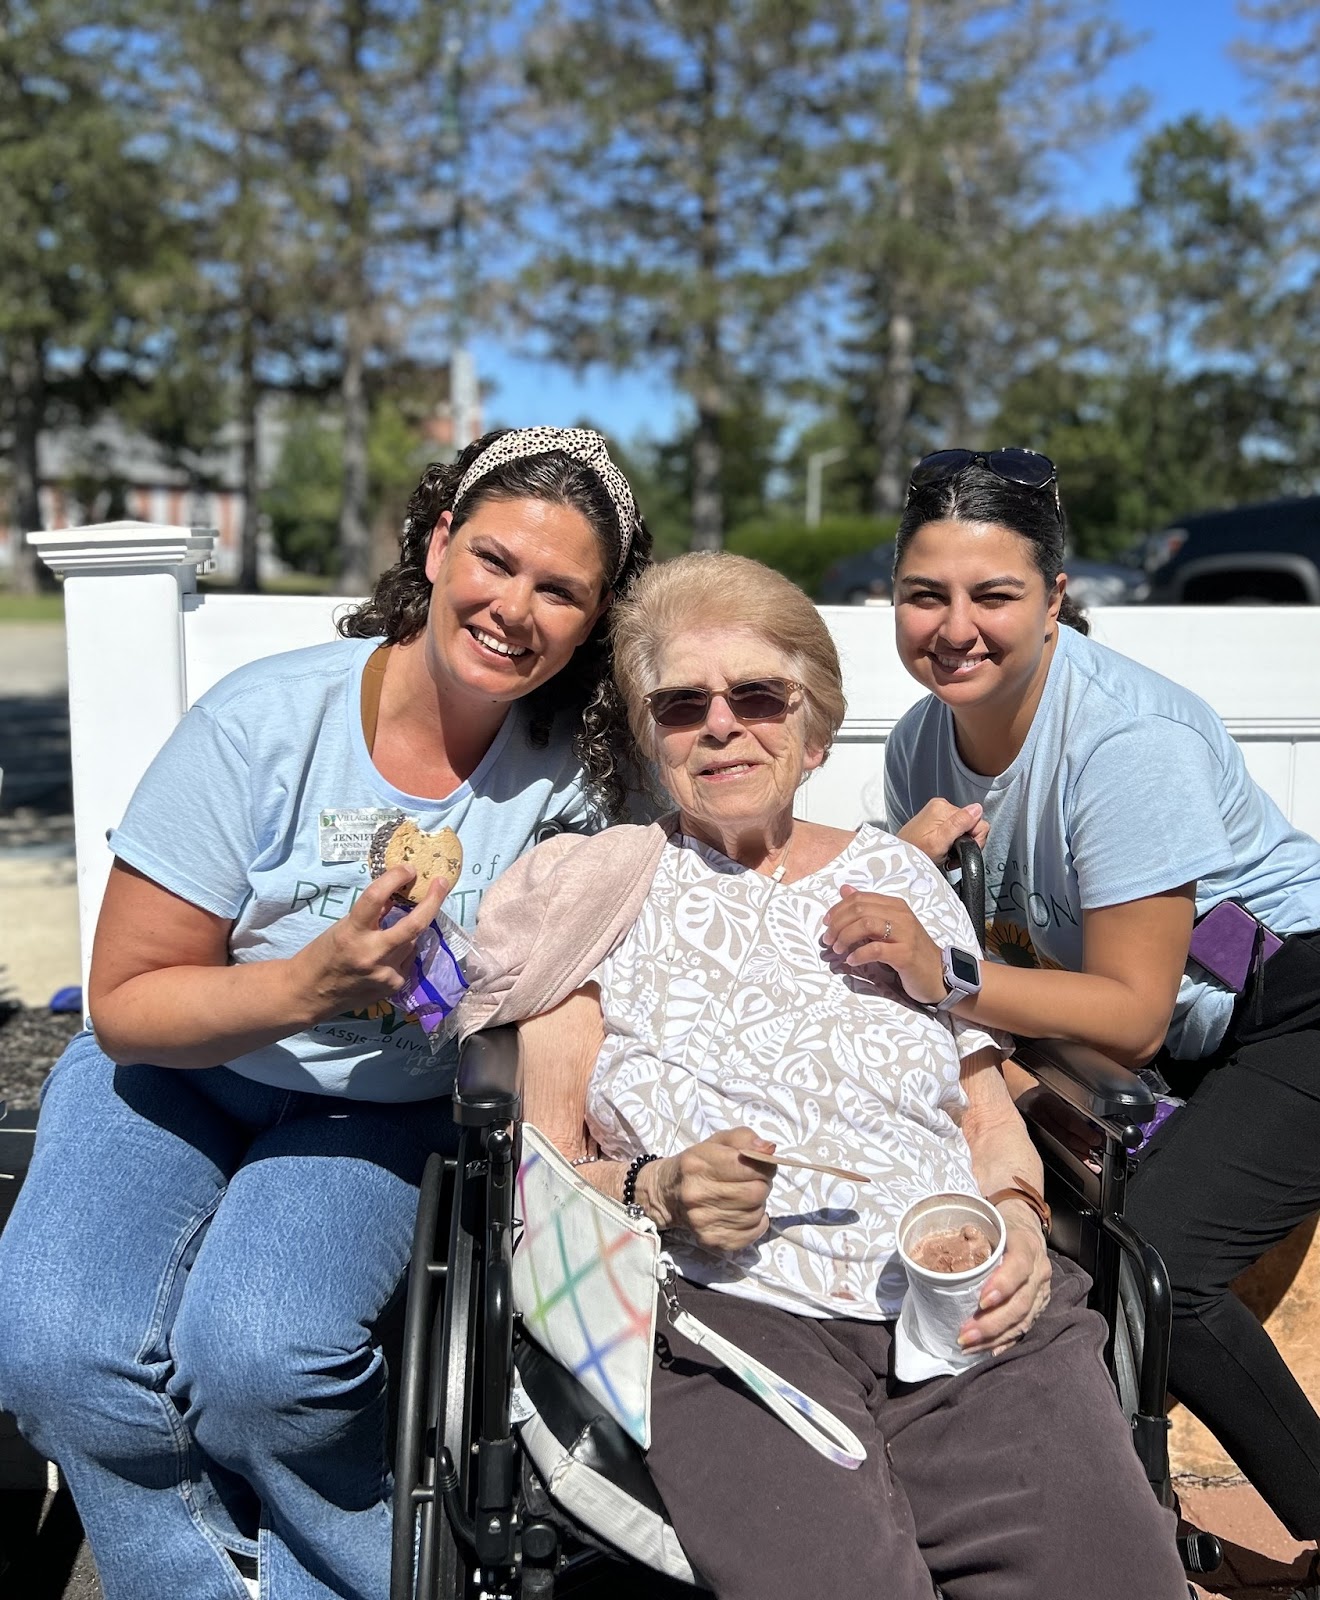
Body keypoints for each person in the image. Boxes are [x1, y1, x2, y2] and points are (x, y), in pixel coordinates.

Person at [460, 552, 1189, 1600]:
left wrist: (1021, 1221)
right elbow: (546, 1164)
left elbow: (985, 1113)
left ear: (813, 728)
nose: (721, 723)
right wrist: (657, 1189)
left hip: (955, 1293)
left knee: (1114, 1580)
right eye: (681, 704)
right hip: (727, 1318)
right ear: (647, 735)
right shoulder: (600, 892)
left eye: (758, 694)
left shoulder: (896, 876)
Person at [0, 426, 651, 1600]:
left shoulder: (579, 780)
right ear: (441, 538)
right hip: (174, 1071)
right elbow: (130, 1006)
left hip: (379, 1107)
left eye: (561, 590)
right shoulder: (262, 724)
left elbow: (561, 987)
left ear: (595, 617)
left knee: (262, 1359)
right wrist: (318, 979)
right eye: (495, 559)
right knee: (54, 1350)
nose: (515, 607)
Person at [858, 445, 1320, 1595]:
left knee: (1161, 1255)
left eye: (994, 594)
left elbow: (1124, 1014)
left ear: (1057, 599)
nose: (954, 626)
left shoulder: (1123, 742)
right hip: (1188, 1030)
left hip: (1296, 1000)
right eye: (926, 594)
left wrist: (945, 977)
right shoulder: (925, 736)